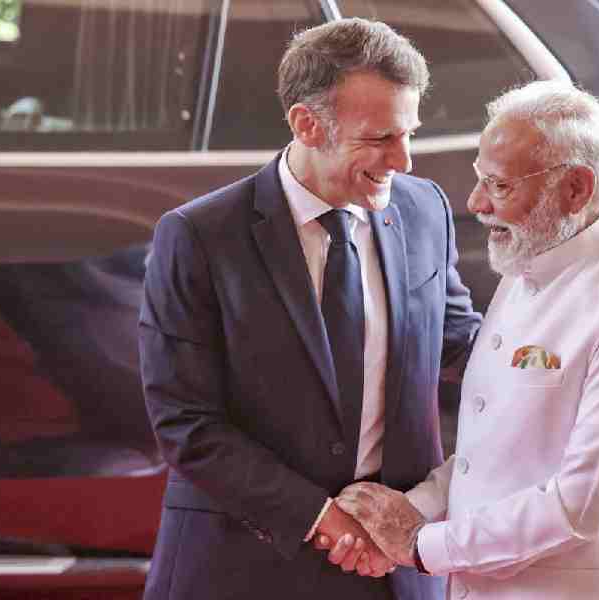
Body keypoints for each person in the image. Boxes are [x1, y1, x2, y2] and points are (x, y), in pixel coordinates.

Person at [328, 80, 599, 599]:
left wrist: (422, 543)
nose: (475, 203)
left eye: (500, 186)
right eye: (479, 180)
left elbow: (581, 505)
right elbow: (495, 451)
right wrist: (410, 510)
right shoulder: (534, 255)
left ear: (577, 189)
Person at [138, 18, 481, 600]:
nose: (404, 161)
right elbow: (185, 421)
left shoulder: (425, 210)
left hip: (393, 566)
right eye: (379, 138)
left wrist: (561, 355)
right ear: (306, 124)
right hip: (241, 564)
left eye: (409, 135)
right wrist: (321, 516)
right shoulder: (199, 236)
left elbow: (460, 343)